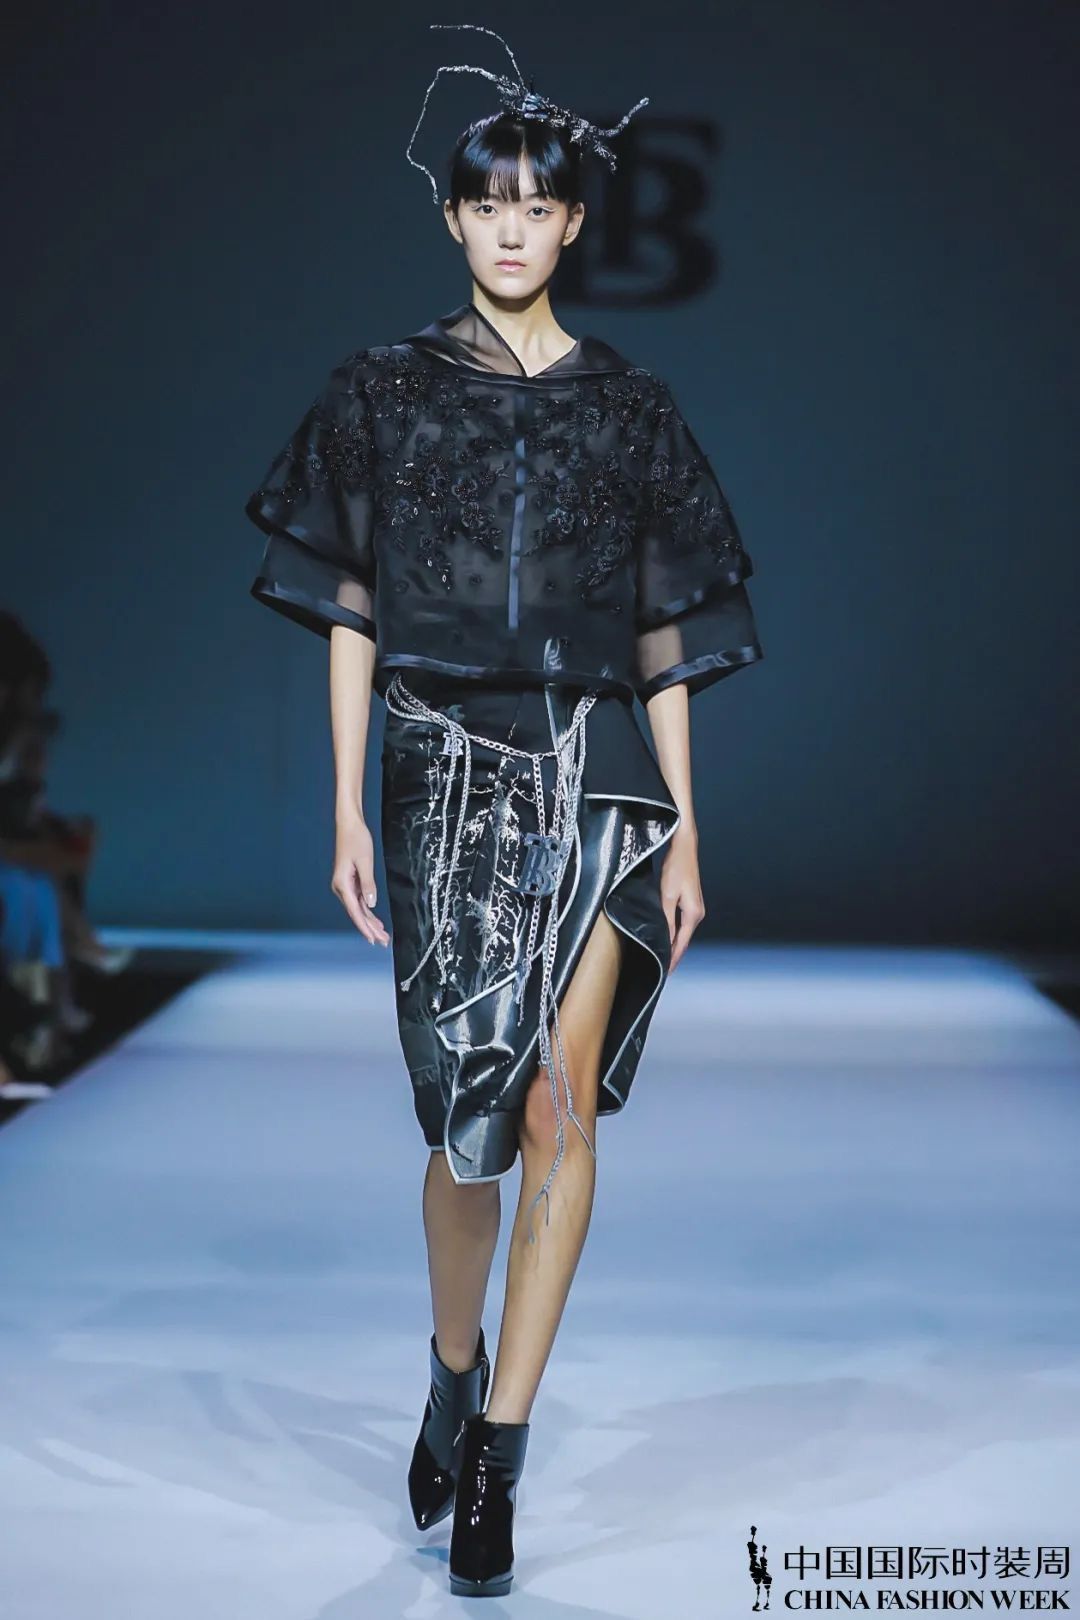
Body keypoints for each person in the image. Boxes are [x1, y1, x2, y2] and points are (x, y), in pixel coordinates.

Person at [244, 24, 764, 1598]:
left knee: (556, 1108)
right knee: (466, 1133)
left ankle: (501, 1462)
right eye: (491, 205)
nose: (516, 227)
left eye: (542, 203)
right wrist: (347, 808)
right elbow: (348, 608)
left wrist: (685, 824)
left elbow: (667, 629)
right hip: (439, 769)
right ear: (454, 219)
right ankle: (453, 1368)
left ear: (576, 223)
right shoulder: (382, 393)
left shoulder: (633, 409)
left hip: (598, 764)